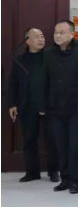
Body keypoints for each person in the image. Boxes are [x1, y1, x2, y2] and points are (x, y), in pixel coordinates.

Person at [40, 20, 78, 194]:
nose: (58, 35)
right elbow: (44, 80)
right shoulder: (48, 53)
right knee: (60, 146)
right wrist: (43, 104)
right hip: (54, 107)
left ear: (71, 34)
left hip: (76, 108)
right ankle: (65, 179)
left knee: (75, 146)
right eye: (56, 32)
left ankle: (75, 181)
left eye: (62, 32)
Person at [7, 28, 59, 183]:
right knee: (29, 139)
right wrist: (12, 104)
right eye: (36, 36)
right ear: (27, 40)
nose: (41, 39)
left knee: (52, 139)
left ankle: (53, 171)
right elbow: (13, 83)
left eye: (42, 36)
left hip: (48, 105)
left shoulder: (50, 56)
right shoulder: (19, 59)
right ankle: (32, 171)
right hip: (27, 105)